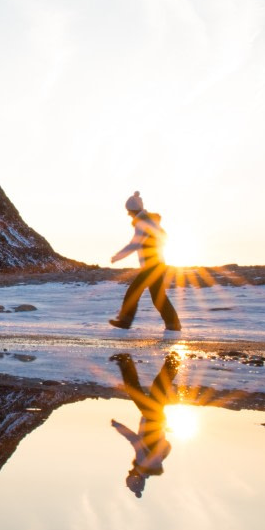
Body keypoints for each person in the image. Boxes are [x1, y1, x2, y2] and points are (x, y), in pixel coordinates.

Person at [109, 351, 179, 498]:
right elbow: (133, 438)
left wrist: (161, 429)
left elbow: (164, 445)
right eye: (130, 474)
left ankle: (172, 362)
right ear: (135, 477)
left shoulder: (152, 464)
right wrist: (117, 426)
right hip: (152, 417)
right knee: (136, 390)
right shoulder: (143, 462)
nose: (130, 470)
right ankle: (125, 361)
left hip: (156, 419)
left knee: (156, 388)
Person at [108, 191, 181, 331]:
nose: (128, 214)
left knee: (133, 292)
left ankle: (125, 321)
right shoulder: (151, 222)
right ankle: (173, 324)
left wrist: (118, 256)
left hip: (151, 265)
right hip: (158, 264)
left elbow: (134, 244)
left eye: (129, 211)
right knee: (157, 296)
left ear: (133, 210)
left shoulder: (142, 222)